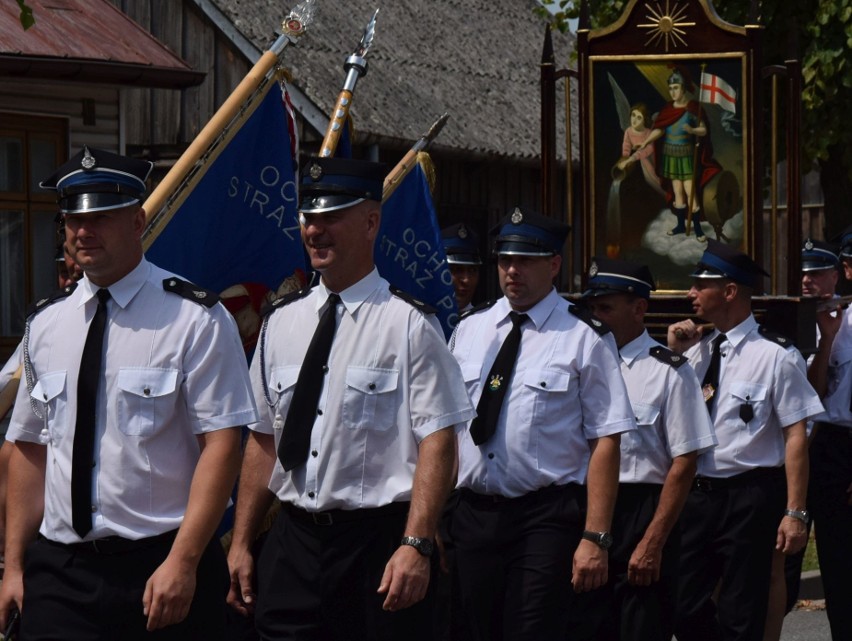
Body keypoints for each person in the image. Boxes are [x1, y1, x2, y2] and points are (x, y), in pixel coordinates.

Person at [0, 146, 258, 640]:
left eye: (100, 215)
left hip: (159, 564)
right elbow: (30, 451)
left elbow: (222, 446)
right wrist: (14, 565)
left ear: (138, 220)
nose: (82, 230)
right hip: (61, 572)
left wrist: (183, 561)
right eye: (73, 217)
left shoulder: (194, 319)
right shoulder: (46, 324)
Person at [226, 156, 475, 641]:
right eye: (309, 219)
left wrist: (416, 543)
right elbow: (262, 440)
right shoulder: (281, 322)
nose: (315, 231)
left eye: (331, 217)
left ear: (371, 222)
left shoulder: (409, 324)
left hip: (376, 547)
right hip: (293, 540)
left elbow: (439, 442)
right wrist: (239, 542)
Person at [448, 207, 636, 640]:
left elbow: (606, 439)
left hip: (544, 517)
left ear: (554, 265)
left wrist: (596, 535)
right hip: (473, 513)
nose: (513, 270)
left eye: (527, 260)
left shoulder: (584, 336)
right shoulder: (469, 329)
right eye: (505, 260)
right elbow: (450, 429)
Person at [667, 240, 823, 641]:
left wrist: (795, 511)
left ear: (730, 291)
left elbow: (795, 436)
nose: (691, 294)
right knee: (681, 605)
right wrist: (676, 357)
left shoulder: (775, 356)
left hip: (749, 497)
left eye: (701, 285)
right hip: (697, 496)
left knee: (742, 610)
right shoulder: (695, 353)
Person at [578, 257, 716, 641]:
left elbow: (685, 461)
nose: (595, 316)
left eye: (605, 307)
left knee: (640, 626)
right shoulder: (577, 364)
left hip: (640, 511)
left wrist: (653, 541)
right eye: (591, 308)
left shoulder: (668, 371)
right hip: (581, 508)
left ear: (639, 308)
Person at [763, 238, 840, 641]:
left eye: (817, 273)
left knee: (838, 553)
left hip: (835, 443)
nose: (808, 280)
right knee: (782, 558)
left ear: (837, 275)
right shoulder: (784, 320)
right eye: (803, 273)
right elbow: (811, 390)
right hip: (792, 445)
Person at [806, 225, 852, 640]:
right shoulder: (830, 319)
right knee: (837, 559)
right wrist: (827, 340)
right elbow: (815, 392)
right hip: (829, 443)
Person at [638, 67, 722, 241]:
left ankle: (698, 229)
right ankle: (680, 226)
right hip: (670, 155)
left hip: (686, 155)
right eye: (670, 88)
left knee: (690, 191)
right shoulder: (668, 110)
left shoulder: (692, 109)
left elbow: (704, 130)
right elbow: (660, 130)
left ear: (683, 88)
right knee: (677, 191)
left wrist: (692, 129)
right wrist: (646, 141)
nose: (672, 91)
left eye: (676, 88)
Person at [441, 223, 482, 313]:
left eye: (472, 270)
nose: (466, 280)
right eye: (456, 269)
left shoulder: (487, 325)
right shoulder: (419, 321)